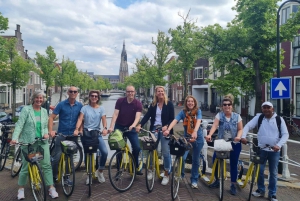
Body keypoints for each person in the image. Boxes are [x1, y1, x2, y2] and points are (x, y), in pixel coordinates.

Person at [11, 91, 59, 200]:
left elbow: (45, 126)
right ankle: (21, 189)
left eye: (41, 98)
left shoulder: (44, 111)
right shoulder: (26, 110)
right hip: (28, 142)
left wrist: (46, 133)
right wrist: (14, 138)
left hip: (41, 142)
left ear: (43, 100)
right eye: (37, 98)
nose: (39, 100)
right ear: (33, 99)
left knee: (46, 165)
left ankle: (51, 188)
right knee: (25, 167)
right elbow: (19, 124)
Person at [241, 101, 289, 201]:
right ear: (262, 109)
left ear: (273, 109)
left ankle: (272, 194)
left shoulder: (279, 119)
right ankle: (260, 190)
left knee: (273, 173)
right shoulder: (259, 118)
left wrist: (279, 145)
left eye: (268, 108)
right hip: (261, 149)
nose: (266, 110)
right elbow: (248, 126)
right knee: (260, 171)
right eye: (264, 108)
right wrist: (243, 136)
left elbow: (285, 134)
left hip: (274, 151)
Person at [205, 94, 243, 195]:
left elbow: (240, 129)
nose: (227, 106)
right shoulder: (219, 115)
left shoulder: (237, 116)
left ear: (232, 105)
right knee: (215, 160)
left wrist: (238, 136)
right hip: (222, 142)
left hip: (234, 143)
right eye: (224, 105)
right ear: (222, 106)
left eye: (228, 104)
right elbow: (214, 126)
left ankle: (233, 184)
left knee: (233, 164)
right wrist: (209, 135)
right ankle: (217, 180)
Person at [136, 86, 174, 185]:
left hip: (165, 130)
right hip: (154, 129)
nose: (160, 93)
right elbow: (147, 115)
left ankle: (166, 174)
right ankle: (150, 170)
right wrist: (140, 124)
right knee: (151, 150)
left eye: (162, 91)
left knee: (165, 152)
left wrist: (167, 126)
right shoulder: (153, 105)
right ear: (156, 93)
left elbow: (172, 118)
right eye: (158, 91)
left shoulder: (169, 104)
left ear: (164, 92)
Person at [164, 95, 204, 189]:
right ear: (186, 103)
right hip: (187, 138)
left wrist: (195, 131)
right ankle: (181, 175)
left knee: (195, 159)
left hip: (197, 137)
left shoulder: (198, 111)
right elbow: (175, 120)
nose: (190, 103)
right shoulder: (183, 112)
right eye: (188, 101)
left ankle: (194, 180)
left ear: (194, 103)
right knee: (182, 156)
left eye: (192, 101)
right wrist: (168, 129)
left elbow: (198, 121)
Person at [48, 86, 83, 182]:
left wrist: (79, 130)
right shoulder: (61, 104)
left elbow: (81, 119)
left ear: (77, 93)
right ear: (68, 93)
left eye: (75, 91)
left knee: (70, 158)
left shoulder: (80, 106)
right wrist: (51, 130)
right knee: (57, 158)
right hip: (61, 135)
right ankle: (54, 177)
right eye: (71, 91)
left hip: (73, 136)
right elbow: (51, 118)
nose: (73, 93)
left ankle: (67, 177)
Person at [74, 90, 108, 184]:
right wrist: (77, 129)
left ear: (98, 98)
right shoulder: (85, 108)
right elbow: (80, 119)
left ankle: (100, 171)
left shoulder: (101, 108)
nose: (94, 97)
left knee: (104, 152)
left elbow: (104, 121)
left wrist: (105, 128)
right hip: (86, 133)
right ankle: (89, 174)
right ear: (89, 97)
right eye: (92, 96)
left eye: (96, 96)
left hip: (96, 133)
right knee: (87, 155)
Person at [108, 85, 143, 175]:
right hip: (119, 127)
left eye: (132, 91)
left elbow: (137, 117)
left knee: (137, 147)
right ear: (126, 92)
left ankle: (135, 166)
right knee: (119, 149)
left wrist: (133, 125)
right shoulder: (120, 101)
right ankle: (119, 170)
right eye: (128, 91)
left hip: (131, 128)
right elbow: (115, 114)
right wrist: (111, 126)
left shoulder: (138, 103)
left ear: (134, 92)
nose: (130, 93)